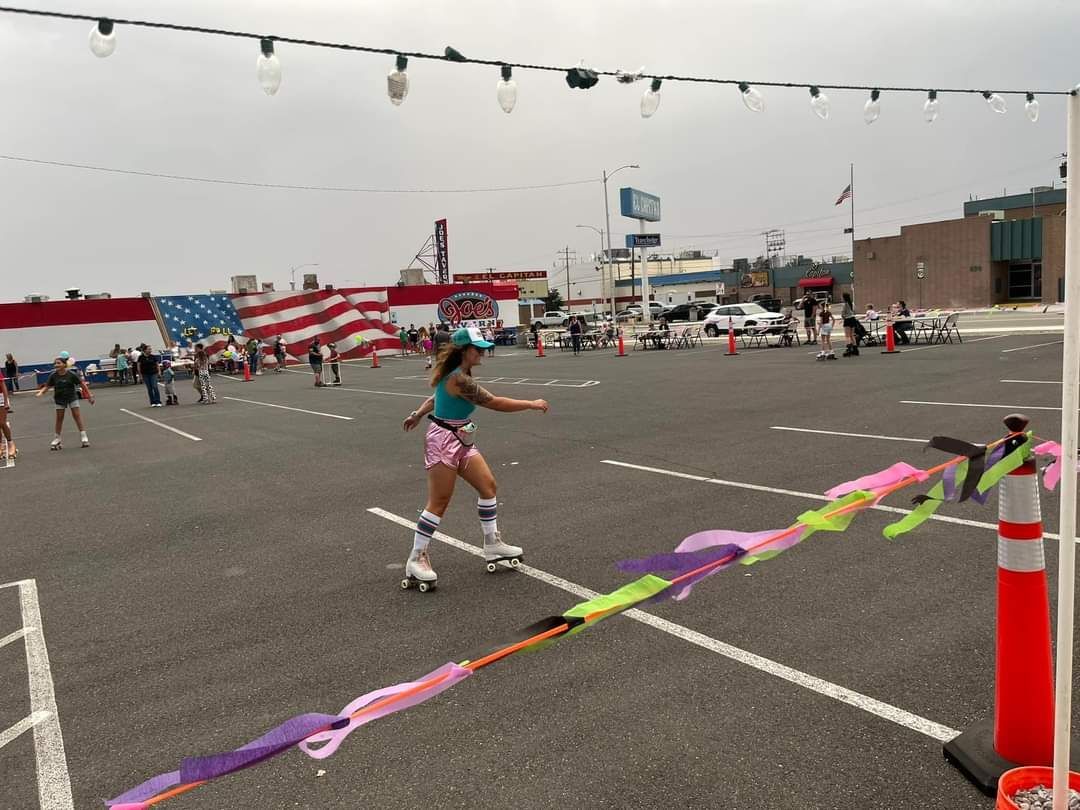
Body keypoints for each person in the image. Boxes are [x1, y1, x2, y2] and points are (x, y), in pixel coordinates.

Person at [400, 327, 549, 588]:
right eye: (478, 348)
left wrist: (417, 413)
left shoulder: (459, 374)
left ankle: (492, 543)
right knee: (440, 501)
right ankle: (417, 557)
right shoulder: (459, 379)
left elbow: (435, 398)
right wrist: (531, 403)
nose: (482, 352)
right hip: (442, 440)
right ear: (465, 351)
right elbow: (494, 402)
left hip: (461, 437)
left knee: (488, 486)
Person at [36, 356, 94, 448]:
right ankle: (57, 438)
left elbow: (82, 384)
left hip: (72, 397)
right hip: (59, 399)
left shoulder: (71, 374)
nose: (56, 365)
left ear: (64, 364)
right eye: (55, 363)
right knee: (59, 418)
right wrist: (41, 392)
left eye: (58, 363)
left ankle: (84, 437)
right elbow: (47, 386)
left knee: (77, 416)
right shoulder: (53, 376)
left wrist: (89, 396)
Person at [0, 375, 15, 459]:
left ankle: (10, 443)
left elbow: (3, 385)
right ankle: (0, 445)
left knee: (2, 422)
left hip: (1, 397)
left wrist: (6, 401)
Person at [841, 292, 859, 357]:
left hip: (847, 320)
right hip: (853, 319)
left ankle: (848, 349)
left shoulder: (845, 305)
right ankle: (855, 349)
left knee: (847, 335)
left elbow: (843, 314)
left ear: (844, 298)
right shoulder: (852, 304)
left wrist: (843, 317)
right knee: (852, 335)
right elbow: (855, 312)